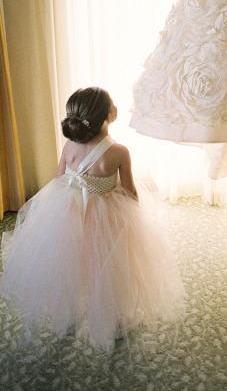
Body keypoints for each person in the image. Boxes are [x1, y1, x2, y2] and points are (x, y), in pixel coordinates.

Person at [0, 87, 185, 352]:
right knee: (109, 264)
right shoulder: (119, 151)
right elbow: (130, 190)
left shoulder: (69, 145)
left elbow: (60, 178)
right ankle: (115, 318)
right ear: (108, 115)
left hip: (69, 212)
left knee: (71, 260)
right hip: (106, 216)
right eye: (113, 105)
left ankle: (69, 312)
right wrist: (135, 217)